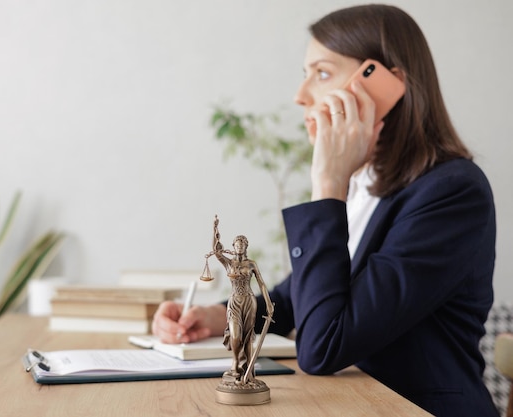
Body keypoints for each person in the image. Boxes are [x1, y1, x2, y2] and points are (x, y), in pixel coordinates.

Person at [152, 4, 498, 416]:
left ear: (387, 85)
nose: (300, 96)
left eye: (321, 73)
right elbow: (299, 296)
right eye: (305, 74)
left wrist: (328, 185)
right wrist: (217, 318)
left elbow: (323, 346)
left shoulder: (452, 193)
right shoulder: (370, 183)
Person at [209, 216, 274, 385]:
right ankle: (235, 362)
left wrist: (268, 303)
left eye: (242, 244)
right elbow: (216, 251)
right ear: (233, 247)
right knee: (236, 336)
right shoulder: (228, 263)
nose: (239, 247)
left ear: (246, 246)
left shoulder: (251, 264)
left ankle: (247, 371)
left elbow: (261, 284)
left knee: (247, 336)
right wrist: (215, 230)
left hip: (249, 301)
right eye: (237, 244)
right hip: (234, 302)